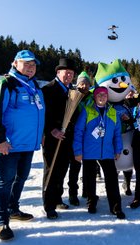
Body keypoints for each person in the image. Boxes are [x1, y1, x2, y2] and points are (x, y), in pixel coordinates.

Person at [0, 50, 45, 241]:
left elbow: (37, 113)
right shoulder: (6, 83)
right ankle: (1, 221)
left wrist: (41, 134)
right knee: (5, 181)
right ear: (15, 63)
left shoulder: (34, 86)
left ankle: (13, 209)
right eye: (26, 63)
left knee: (21, 178)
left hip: (28, 143)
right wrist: (0, 139)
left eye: (33, 64)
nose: (31, 67)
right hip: (10, 145)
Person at [73, 87, 126, 219]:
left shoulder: (113, 113)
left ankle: (116, 206)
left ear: (107, 97)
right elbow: (78, 132)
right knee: (89, 179)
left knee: (112, 179)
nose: (102, 97)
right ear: (95, 97)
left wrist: (117, 149)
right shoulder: (87, 111)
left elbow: (117, 134)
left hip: (107, 151)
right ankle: (91, 201)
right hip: (89, 151)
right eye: (99, 95)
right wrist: (78, 151)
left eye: (104, 95)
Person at [41, 58, 77, 219]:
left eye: (71, 73)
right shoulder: (47, 90)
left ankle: (57, 198)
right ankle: (48, 205)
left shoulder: (72, 91)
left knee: (62, 169)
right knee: (51, 170)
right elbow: (42, 115)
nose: (68, 76)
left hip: (67, 137)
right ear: (58, 72)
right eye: (66, 72)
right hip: (52, 137)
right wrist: (51, 130)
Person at [67, 71, 92, 205]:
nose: (84, 86)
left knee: (88, 165)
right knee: (75, 165)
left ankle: (87, 190)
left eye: (87, 84)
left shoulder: (92, 98)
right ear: (78, 84)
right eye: (82, 83)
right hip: (74, 135)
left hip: (89, 136)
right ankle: (73, 193)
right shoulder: (73, 95)